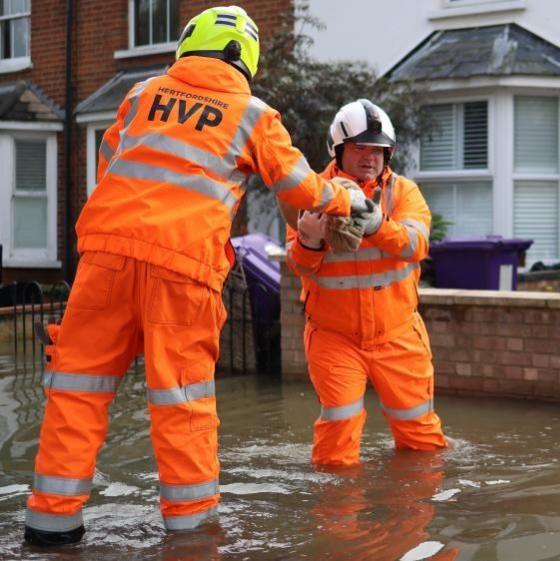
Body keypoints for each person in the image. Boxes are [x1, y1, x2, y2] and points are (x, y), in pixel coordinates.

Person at [23, 6, 371, 546]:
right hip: (182, 270)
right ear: (244, 58)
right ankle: (190, 539)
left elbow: (109, 163)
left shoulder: (141, 95)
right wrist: (346, 199)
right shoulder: (253, 114)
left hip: (104, 259)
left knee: (76, 389)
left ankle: (50, 525)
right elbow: (302, 189)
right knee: (181, 403)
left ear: (188, 45)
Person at [284, 99, 447, 470]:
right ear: (338, 150)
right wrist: (308, 241)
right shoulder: (312, 195)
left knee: (421, 439)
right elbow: (300, 266)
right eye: (360, 147)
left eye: (378, 150)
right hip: (334, 337)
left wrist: (375, 223)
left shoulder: (403, 193)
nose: (370, 157)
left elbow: (416, 246)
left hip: (398, 335)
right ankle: (338, 522)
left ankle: (414, 517)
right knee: (336, 443)